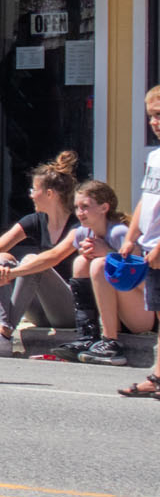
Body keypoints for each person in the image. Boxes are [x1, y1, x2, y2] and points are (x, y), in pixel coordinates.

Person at [0, 152, 83, 356]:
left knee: (32, 261)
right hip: (39, 310)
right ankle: (1, 331)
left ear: (50, 194)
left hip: (67, 310)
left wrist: (12, 274)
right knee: (1, 259)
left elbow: (54, 257)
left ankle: (2, 336)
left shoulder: (77, 225)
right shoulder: (35, 220)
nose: (30, 194)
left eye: (34, 189)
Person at [110, 87, 160, 391]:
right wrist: (131, 237)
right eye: (152, 116)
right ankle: (157, 377)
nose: (155, 122)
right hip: (150, 247)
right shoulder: (154, 157)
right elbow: (147, 200)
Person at [74, 179, 152, 367]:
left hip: (142, 313)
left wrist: (109, 256)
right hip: (114, 313)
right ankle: (88, 335)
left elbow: (144, 282)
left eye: (85, 206)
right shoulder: (82, 233)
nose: (79, 212)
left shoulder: (119, 233)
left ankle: (111, 343)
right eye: (76, 207)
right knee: (80, 262)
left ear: (104, 208)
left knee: (100, 265)